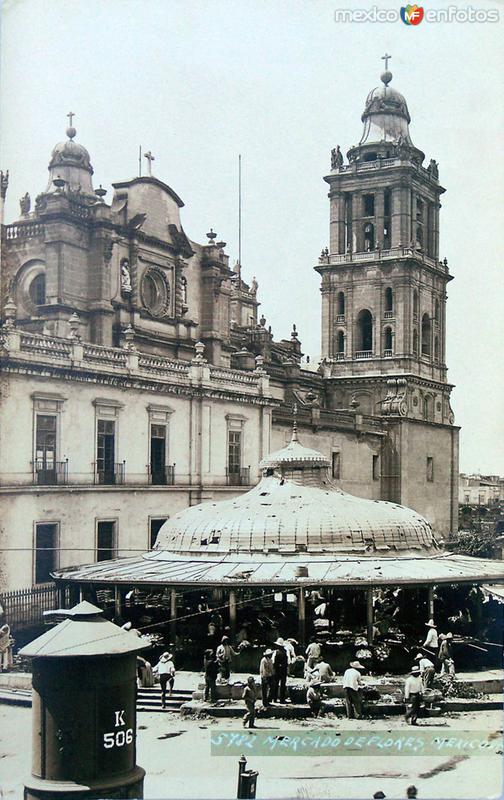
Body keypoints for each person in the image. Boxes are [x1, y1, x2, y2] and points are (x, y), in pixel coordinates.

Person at [271, 638, 288, 704]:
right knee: (283, 685)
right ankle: (282, 699)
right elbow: (287, 662)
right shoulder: (285, 652)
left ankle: (274, 698)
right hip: (284, 670)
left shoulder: (276, 652)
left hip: (277, 670)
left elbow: (274, 662)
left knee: (276, 684)